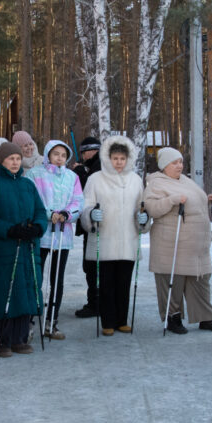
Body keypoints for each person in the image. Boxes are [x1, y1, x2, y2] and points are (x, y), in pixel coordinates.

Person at [143, 147, 212, 335]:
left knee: (200, 280)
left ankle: (206, 317)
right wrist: (171, 200)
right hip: (172, 244)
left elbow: (194, 202)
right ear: (164, 165)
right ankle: (173, 317)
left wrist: (207, 200)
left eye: (180, 162)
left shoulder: (186, 181)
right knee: (173, 282)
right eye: (174, 162)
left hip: (196, 245)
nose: (179, 165)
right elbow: (152, 209)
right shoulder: (155, 184)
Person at [0, 141, 47, 356]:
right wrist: (10, 230)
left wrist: (37, 227)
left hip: (28, 247)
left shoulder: (27, 184)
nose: (15, 162)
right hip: (5, 247)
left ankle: (19, 338)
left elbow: (40, 210)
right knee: (4, 292)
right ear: (2, 161)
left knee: (26, 292)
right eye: (11, 159)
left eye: (18, 159)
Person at [80, 136, 147, 334]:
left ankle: (121, 320)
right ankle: (108, 322)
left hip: (128, 239)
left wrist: (143, 218)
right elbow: (86, 205)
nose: (119, 162)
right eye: (115, 158)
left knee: (123, 284)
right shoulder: (95, 179)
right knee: (106, 284)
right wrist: (91, 214)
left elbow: (141, 206)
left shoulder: (135, 180)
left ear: (128, 159)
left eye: (122, 158)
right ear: (108, 158)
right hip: (105, 239)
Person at [26, 139, 84, 339]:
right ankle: (30, 320)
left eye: (63, 155)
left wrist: (68, 214)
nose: (59, 158)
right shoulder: (35, 174)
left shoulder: (72, 176)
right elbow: (32, 199)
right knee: (36, 276)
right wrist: (48, 214)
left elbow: (78, 200)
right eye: (56, 154)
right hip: (41, 231)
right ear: (48, 154)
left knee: (56, 279)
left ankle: (52, 320)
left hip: (62, 233)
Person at [72, 136, 102, 318]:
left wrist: (82, 173)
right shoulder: (93, 165)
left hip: (97, 223)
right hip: (91, 222)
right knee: (91, 264)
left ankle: (96, 303)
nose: (83, 156)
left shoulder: (99, 166)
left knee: (93, 265)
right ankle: (96, 301)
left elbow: (89, 190)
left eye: (84, 152)